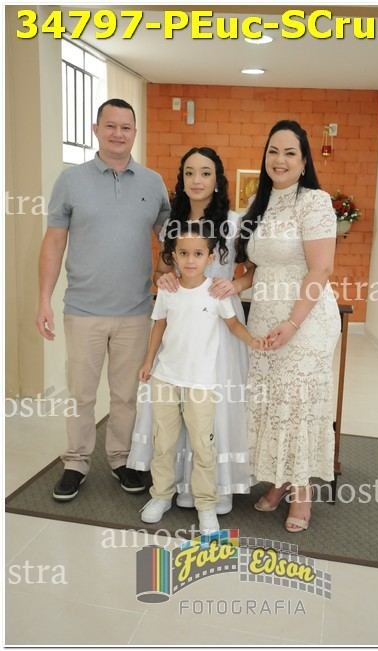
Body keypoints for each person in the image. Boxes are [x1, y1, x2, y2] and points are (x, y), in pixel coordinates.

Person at [36, 98, 171, 501]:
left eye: (126, 127)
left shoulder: (152, 183)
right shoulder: (71, 180)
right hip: (83, 310)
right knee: (81, 394)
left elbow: (172, 240)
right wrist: (44, 299)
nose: (118, 133)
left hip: (136, 311)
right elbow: (53, 242)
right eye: (110, 126)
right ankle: (76, 462)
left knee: (126, 394)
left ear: (134, 133)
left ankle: (121, 458)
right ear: (96, 130)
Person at [127, 147, 255, 514]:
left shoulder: (234, 222)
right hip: (181, 325)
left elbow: (253, 270)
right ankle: (172, 487)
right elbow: (161, 271)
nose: (197, 180)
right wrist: (164, 278)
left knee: (211, 411)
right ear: (181, 179)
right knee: (172, 409)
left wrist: (235, 285)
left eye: (205, 173)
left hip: (221, 325)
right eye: (189, 173)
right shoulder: (172, 223)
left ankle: (216, 491)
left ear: (218, 180)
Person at [236, 119, 341, 532]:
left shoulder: (314, 202)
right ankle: (278, 480)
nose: (279, 160)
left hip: (305, 319)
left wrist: (294, 322)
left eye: (289, 153)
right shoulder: (259, 202)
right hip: (264, 318)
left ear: (303, 161)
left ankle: (302, 494)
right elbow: (258, 267)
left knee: (296, 403)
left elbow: (321, 269)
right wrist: (233, 284)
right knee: (271, 401)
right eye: (273, 151)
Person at [139, 221, 266, 533]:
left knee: (203, 447)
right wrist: (148, 362)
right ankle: (161, 496)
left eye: (197, 254)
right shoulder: (168, 290)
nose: (190, 259)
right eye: (183, 253)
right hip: (166, 378)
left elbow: (233, 325)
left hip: (201, 383)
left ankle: (206, 505)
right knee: (164, 442)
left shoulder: (216, 293)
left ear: (210, 257)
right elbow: (158, 326)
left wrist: (252, 341)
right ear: (174, 256)